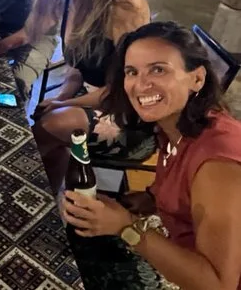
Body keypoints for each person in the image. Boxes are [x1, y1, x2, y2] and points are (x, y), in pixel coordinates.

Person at [63, 21, 241, 290]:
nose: (141, 84)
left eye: (159, 69)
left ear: (197, 78)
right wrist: (141, 201)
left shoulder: (218, 165)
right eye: (132, 72)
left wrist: (126, 227)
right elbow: (181, 188)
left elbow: (218, 284)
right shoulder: (175, 125)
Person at [28, 0, 151, 193]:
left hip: (128, 111)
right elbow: (77, 66)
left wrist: (65, 105)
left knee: (42, 131)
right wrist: (64, 96)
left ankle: (33, 197)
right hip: (93, 96)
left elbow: (129, 87)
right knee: (46, 121)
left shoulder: (122, 1)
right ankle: (47, 198)